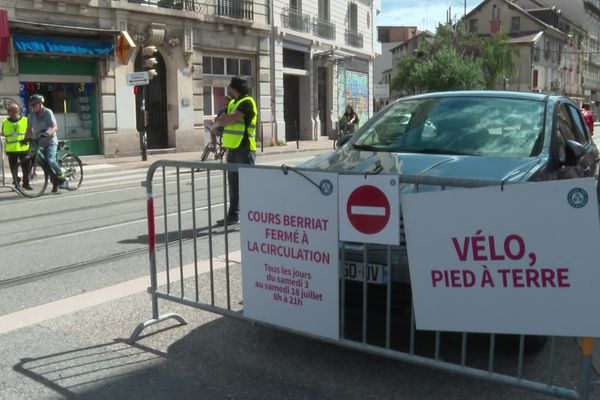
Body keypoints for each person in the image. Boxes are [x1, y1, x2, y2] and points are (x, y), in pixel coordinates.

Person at [212, 77, 257, 226]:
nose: (228, 88)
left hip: (244, 148)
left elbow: (226, 120)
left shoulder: (247, 102)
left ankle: (253, 215)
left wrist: (222, 120)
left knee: (247, 185)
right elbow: (220, 119)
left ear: (235, 88)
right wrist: (221, 120)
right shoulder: (233, 103)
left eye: (230, 86)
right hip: (232, 149)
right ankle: (233, 215)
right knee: (233, 185)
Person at [26, 94, 66, 192]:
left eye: (34, 105)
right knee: (41, 162)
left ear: (40, 104)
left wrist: (48, 133)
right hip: (38, 141)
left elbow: (55, 127)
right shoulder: (31, 114)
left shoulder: (48, 112)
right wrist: (27, 137)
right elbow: (29, 128)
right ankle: (54, 182)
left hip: (50, 141)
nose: (33, 107)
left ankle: (62, 179)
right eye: (31, 105)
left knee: (50, 160)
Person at [1, 102, 32, 190]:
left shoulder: (25, 120)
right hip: (11, 149)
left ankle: (26, 183)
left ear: (18, 110)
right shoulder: (5, 122)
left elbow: (30, 131)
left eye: (15, 110)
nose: (13, 112)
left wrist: (27, 138)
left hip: (24, 147)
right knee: (13, 168)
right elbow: (3, 134)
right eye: (11, 111)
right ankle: (16, 182)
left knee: (26, 167)